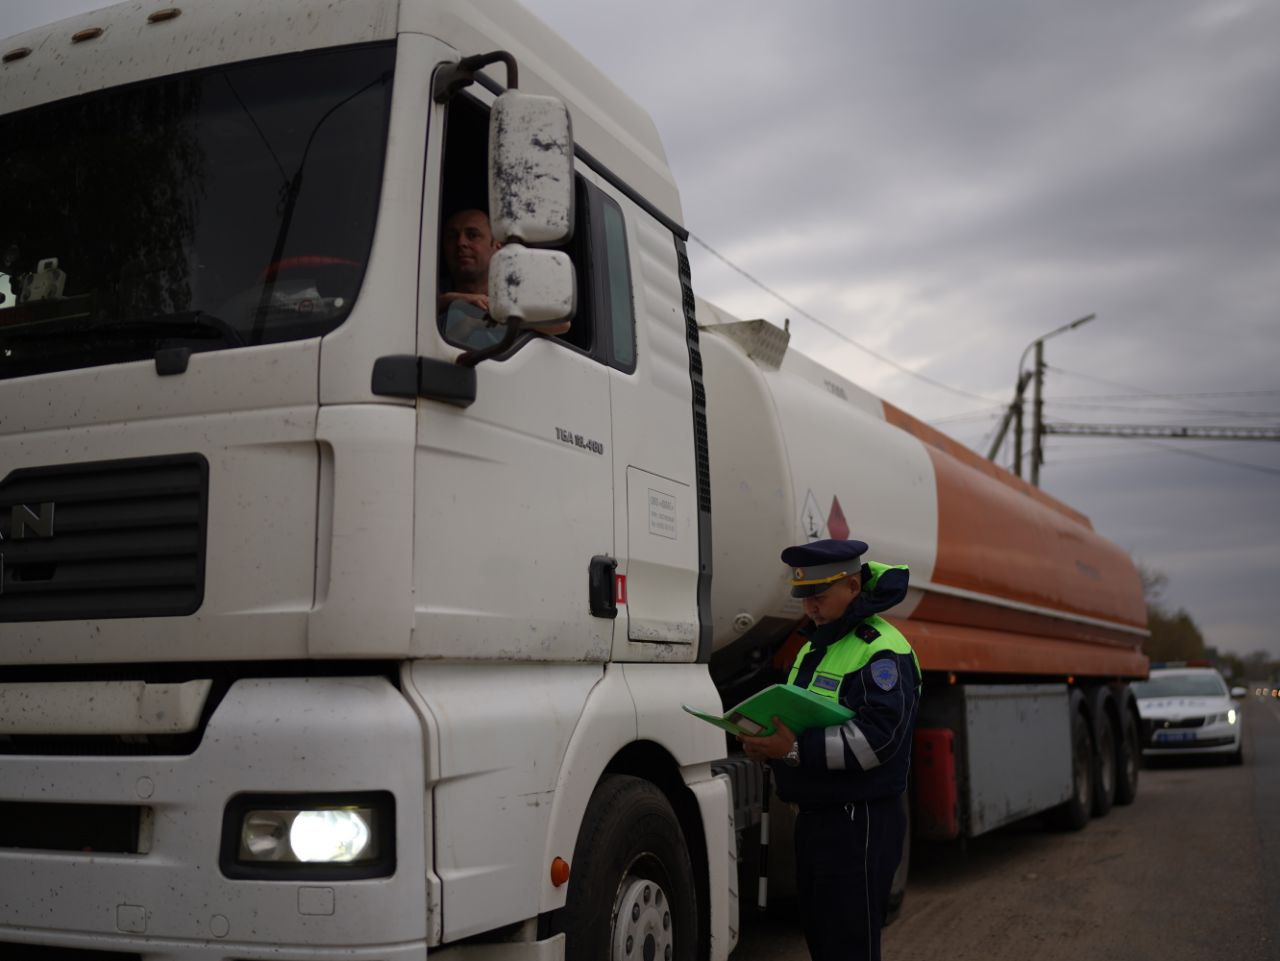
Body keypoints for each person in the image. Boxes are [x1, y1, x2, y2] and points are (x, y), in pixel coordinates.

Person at [740, 538, 920, 961]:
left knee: (849, 945)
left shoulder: (882, 650)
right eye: (803, 598)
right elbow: (797, 716)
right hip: (819, 820)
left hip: (860, 821)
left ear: (853, 588)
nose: (809, 608)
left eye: (818, 597)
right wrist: (766, 743)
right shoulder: (812, 647)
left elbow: (880, 741)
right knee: (823, 940)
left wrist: (793, 750)